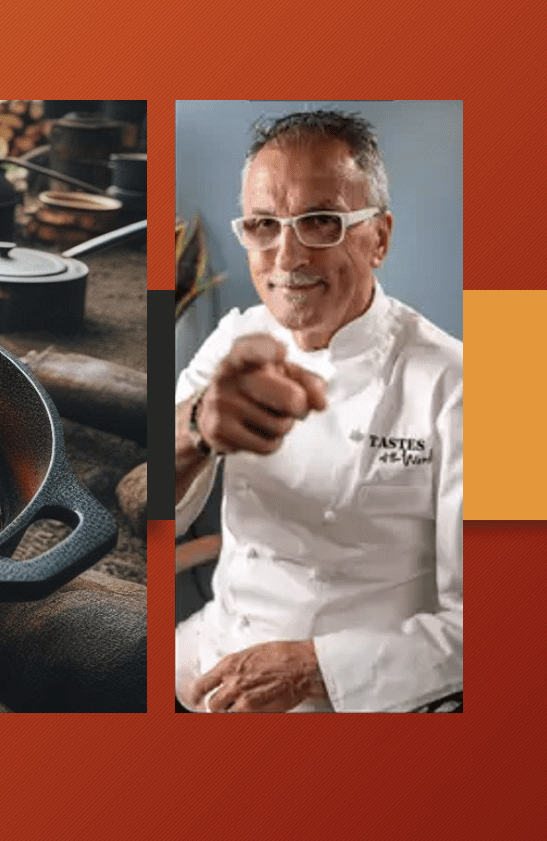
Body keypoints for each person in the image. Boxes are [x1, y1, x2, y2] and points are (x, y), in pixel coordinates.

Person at [174, 110, 462, 713]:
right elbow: (155, 504)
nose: (287, 256)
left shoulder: (474, 384)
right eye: (263, 225)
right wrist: (198, 425)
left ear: (378, 237)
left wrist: (314, 668)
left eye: (321, 222)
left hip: (356, 696)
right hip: (206, 657)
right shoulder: (233, 337)